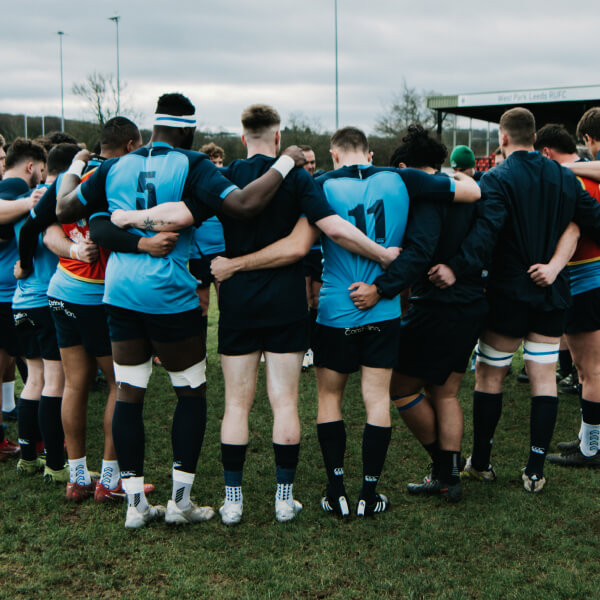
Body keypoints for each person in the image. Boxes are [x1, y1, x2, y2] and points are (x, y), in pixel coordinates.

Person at [110, 105, 400, 525]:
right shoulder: (299, 178)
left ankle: (233, 502)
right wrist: (382, 256)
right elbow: (328, 231)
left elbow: (189, 224)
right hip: (285, 302)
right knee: (284, 402)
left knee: (236, 405)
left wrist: (130, 219)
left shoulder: (222, 178)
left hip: (239, 304)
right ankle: (284, 500)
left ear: (243, 138)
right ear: (279, 138)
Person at [57, 92, 306, 529]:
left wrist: (80, 173)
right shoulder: (193, 163)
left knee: (129, 393)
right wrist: (286, 160)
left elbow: (71, 210)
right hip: (169, 295)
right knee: (189, 392)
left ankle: (135, 505)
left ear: (152, 127)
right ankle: (179, 502)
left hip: (119, 295)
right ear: (189, 130)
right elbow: (244, 205)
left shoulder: (115, 165)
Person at [312, 126, 480, 517]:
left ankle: (335, 490)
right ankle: (370, 494)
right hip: (384, 308)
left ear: (334, 155)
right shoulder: (401, 178)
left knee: (329, 398)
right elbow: (472, 191)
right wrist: (446, 173)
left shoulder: (319, 183)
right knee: (376, 399)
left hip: (337, 306)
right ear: (370, 154)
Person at [355, 125, 503, 502]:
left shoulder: (426, 197)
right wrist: (461, 267)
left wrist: (382, 289)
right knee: (446, 391)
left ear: (405, 166)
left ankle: (442, 466)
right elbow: (486, 239)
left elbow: (420, 252)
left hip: (438, 306)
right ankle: (449, 477)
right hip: (471, 303)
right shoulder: (467, 188)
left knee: (399, 386)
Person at [18, 118, 163, 501]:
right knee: (119, 385)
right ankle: (109, 481)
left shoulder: (74, 176)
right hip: (96, 296)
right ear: (132, 146)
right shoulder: (114, 177)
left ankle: (77, 476)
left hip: (60, 291)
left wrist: (69, 249)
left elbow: (41, 226)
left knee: (75, 383)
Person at [463, 107, 600, 493]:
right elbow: (594, 221)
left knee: (490, 375)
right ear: (536, 138)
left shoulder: (496, 177)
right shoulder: (563, 176)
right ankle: (535, 469)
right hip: (552, 293)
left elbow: (485, 236)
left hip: (507, 293)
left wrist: (456, 268)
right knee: (543, 377)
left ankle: (483, 463)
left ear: (502, 139)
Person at [532, 123, 600, 467]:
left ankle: (593, 447)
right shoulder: (588, 173)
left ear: (545, 152)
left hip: (586, 282)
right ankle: (588, 436)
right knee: (589, 368)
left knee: (591, 370)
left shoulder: (570, 179)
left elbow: (573, 230)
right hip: (590, 280)